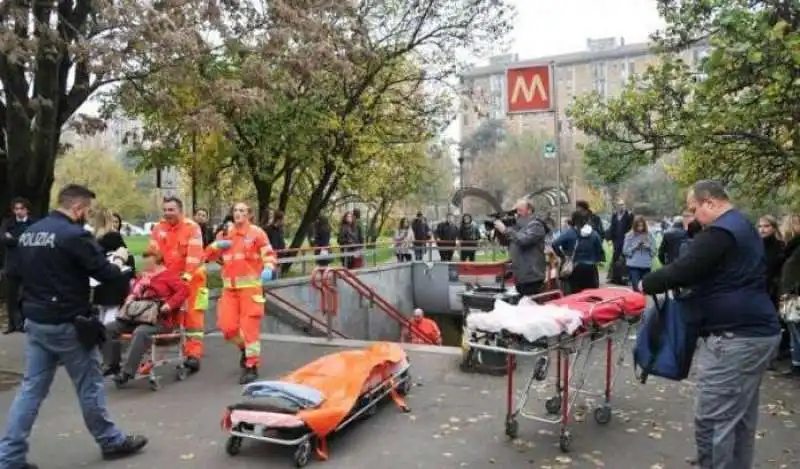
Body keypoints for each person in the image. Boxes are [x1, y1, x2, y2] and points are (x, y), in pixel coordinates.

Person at [0, 184, 147, 468]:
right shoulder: (74, 235)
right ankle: (110, 441)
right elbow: (105, 274)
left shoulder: (30, 233)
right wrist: (117, 261)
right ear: (78, 208)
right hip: (69, 323)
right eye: (86, 211)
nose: (86, 216)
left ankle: (9, 458)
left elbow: (14, 272)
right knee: (89, 385)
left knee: (30, 390)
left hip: (36, 321)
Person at [640, 180, 780, 469]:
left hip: (734, 338)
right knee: (738, 419)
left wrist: (646, 283)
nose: (692, 217)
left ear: (711, 203)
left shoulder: (721, 232)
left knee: (713, 421)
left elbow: (686, 268)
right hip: (757, 333)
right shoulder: (743, 226)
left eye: (694, 210)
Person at [205, 202, 277, 384]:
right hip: (229, 289)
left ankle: (252, 366)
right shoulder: (224, 234)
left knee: (250, 329)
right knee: (227, 328)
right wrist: (215, 245)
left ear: (249, 215)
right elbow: (207, 257)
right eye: (236, 210)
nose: (238, 213)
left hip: (250, 289)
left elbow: (269, 254)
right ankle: (245, 350)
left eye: (242, 211)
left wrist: (268, 268)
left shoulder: (257, 233)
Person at [102, 248, 189, 385]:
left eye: (149, 262)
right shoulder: (143, 277)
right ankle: (111, 365)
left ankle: (127, 372)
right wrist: (131, 297)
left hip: (159, 320)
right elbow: (134, 291)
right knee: (109, 328)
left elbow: (184, 290)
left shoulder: (168, 276)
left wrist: (169, 305)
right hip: (138, 316)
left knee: (141, 332)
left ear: (157, 261)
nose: (146, 265)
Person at [147, 196, 207, 373]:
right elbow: (153, 254)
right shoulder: (158, 229)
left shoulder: (192, 228)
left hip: (194, 281)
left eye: (171, 210)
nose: (167, 213)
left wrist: (186, 277)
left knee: (193, 320)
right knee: (171, 317)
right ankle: (168, 351)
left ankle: (194, 355)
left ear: (180, 211)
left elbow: (194, 256)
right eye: (165, 210)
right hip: (170, 280)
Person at [493, 198, 548, 296]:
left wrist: (505, 230)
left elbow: (523, 240)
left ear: (529, 210)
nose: (516, 214)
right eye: (516, 210)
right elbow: (508, 243)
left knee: (531, 306)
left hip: (532, 276)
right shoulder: (518, 227)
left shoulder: (536, 225)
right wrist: (499, 231)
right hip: (520, 276)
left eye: (520, 210)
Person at [91, 208, 135, 325]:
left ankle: (99, 338)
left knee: (101, 311)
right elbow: (126, 254)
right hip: (115, 279)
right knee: (112, 311)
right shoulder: (114, 236)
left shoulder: (94, 238)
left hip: (99, 279)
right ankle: (107, 339)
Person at [0, 197, 34, 333]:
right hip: (12, 265)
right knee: (11, 296)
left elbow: (33, 240)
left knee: (26, 295)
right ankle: (12, 324)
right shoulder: (7, 223)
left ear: (27, 209)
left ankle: (24, 323)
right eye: (16, 209)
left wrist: (12, 239)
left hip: (29, 265)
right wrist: (21, 239)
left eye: (22, 208)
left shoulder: (34, 223)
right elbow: (3, 239)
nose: (19, 211)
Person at [552, 211, 605, 294]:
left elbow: (555, 244)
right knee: (591, 294)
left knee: (575, 294)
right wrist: (596, 259)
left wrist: (563, 257)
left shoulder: (570, 232)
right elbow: (600, 250)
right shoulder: (594, 233)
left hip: (575, 268)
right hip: (591, 268)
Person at [778, 214, 800, 378]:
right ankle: (796, 364)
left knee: (797, 332)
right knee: (794, 333)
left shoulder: (795, 249)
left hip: (795, 296)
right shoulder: (791, 249)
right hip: (791, 295)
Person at [623, 215, 656, 292]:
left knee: (645, 289)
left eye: (642, 226)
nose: (640, 228)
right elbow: (625, 251)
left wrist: (648, 247)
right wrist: (635, 247)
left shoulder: (649, 235)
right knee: (637, 289)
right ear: (635, 226)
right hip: (634, 265)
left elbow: (654, 251)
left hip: (646, 265)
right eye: (638, 226)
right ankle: (637, 302)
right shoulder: (629, 235)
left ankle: (643, 303)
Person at [606, 200, 633, 284]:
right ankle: (614, 277)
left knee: (625, 259)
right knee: (615, 258)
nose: (621, 206)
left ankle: (625, 278)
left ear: (624, 205)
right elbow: (612, 227)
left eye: (622, 205)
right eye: (619, 205)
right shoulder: (614, 215)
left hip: (626, 240)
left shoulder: (629, 215)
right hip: (616, 241)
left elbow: (631, 228)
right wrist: (610, 238)